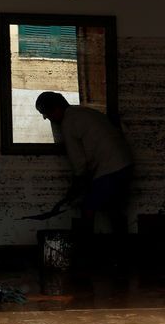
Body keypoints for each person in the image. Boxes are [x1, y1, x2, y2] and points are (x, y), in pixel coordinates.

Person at [34, 92, 134, 243]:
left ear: (56, 109)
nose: (46, 118)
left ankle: (85, 248)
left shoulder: (68, 123)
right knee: (114, 209)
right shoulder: (84, 112)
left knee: (88, 207)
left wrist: (76, 187)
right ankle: (122, 251)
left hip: (110, 167)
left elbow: (79, 163)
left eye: (46, 114)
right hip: (125, 163)